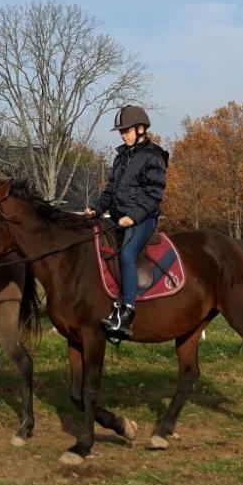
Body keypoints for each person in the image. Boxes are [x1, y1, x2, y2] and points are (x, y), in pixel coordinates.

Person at [85, 106, 168, 340]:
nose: (123, 135)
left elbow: (155, 193)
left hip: (143, 219)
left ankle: (127, 312)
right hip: (118, 219)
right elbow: (111, 190)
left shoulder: (153, 156)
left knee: (127, 253)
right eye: (121, 131)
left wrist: (134, 216)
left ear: (140, 129)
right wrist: (97, 208)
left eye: (127, 130)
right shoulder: (121, 157)